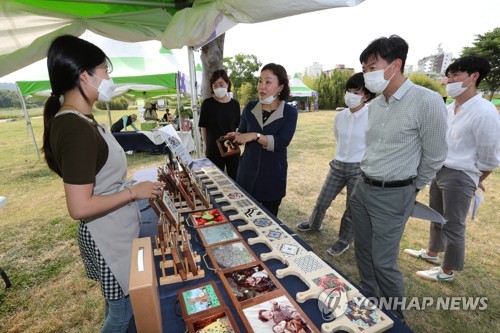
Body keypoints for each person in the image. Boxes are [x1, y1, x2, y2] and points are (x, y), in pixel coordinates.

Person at [41, 35, 163, 332]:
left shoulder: (80, 119)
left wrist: (130, 184)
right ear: (85, 75)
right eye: (105, 70)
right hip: (106, 237)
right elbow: (80, 205)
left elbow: (99, 177)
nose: (109, 78)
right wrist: (133, 192)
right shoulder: (74, 127)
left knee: (118, 306)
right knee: (121, 314)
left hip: (112, 231)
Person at [349, 35, 448, 320]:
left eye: (371, 67)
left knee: (383, 262)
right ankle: (368, 301)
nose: (367, 74)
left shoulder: (426, 101)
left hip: (394, 194)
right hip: (363, 188)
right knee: (364, 253)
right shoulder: (377, 105)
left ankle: (396, 319)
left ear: (395, 65)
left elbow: (435, 154)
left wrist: (411, 189)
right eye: (365, 69)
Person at [404, 56, 500, 282]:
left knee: (454, 224)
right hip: (441, 169)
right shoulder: (450, 108)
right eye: (449, 75)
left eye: (456, 75)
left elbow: (490, 156)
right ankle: (432, 253)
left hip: (461, 175)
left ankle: (448, 271)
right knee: (436, 216)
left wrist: (474, 179)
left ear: (474, 76)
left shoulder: (485, 111)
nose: (450, 80)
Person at [296, 73, 375, 257]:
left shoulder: (372, 115)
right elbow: (338, 139)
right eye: (348, 91)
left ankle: (344, 240)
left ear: (367, 96)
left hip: (359, 168)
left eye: (356, 92)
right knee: (322, 200)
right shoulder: (340, 116)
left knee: (351, 208)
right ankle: (314, 224)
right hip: (338, 164)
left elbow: (372, 144)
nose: (351, 95)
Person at [232, 63, 298, 217]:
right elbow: (242, 132)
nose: (261, 86)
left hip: (272, 178)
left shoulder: (290, 112)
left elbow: (281, 142)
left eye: (268, 82)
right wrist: (235, 136)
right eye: (260, 81)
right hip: (246, 175)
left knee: (268, 222)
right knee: (242, 219)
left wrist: (255, 135)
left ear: (280, 87)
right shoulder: (250, 107)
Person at [198, 69, 241, 180]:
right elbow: (204, 127)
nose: (218, 87)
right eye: (215, 85)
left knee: (235, 178)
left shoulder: (235, 104)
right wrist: (207, 146)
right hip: (213, 149)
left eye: (221, 84)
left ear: (227, 84)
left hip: (232, 148)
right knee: (216, 180)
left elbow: (237, 127)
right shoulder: (207, 104)